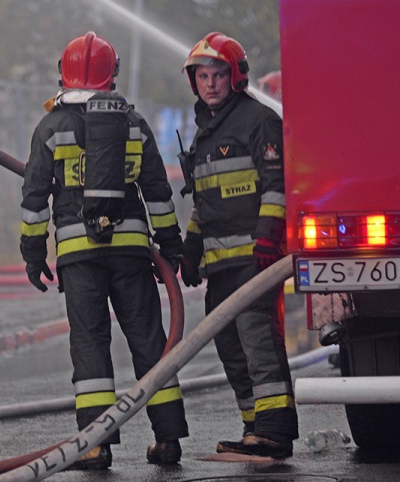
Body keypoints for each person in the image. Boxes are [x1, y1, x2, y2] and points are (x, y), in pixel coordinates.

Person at [20, 31, 189, 470]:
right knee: (150, 341)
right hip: (132, 251)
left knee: (90, 345)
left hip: (78, 256)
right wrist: (171, 247)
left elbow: (35, 199)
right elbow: (157, 194)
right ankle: (168, 437)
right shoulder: (132, 123)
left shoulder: (50, 127)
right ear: (111, 74)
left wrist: (33, 254)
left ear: (63, 72)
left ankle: (95, 444)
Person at [179, 31, 297, 459]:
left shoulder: (257, 121)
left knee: (258, 341)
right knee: (230, 346)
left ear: (236, 77)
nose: (210, 84)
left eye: (218, 75)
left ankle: (274, 430)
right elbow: (205, 199)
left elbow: (276, 183)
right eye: (203, 76)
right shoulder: (206, 132)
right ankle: (253, 429)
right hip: (220, 264)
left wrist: (269, 235)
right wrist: (192, 247)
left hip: (254, 258)